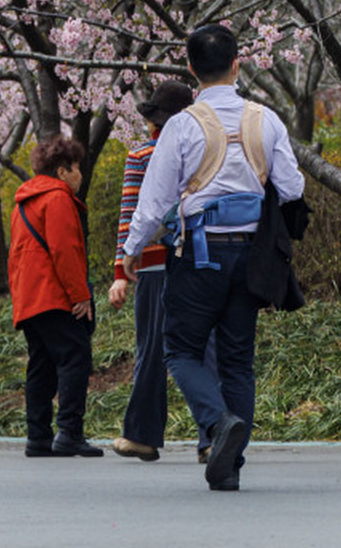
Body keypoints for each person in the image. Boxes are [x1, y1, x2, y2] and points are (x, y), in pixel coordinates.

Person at [123, 22, 305, 492]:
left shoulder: (182, 125)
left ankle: (217, 422)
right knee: (237, 360)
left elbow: (155, 200)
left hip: (199, 257)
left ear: (190, 69)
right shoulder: (265, 120)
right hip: (252, 257)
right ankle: (230, 465)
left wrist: (131, 250)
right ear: (237, 64)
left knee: (179, 349)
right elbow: (292, 188)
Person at [108, 78, 205, 461]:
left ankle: (142, 435)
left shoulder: (142, 154)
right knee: (201, 347)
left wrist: (120, 268)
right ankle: (211, 435)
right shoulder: (204, 152)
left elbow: (131, 213)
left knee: (151, 349)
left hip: (150, 265)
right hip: (198, 260)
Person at [10, 136, 99, 458]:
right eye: (77, 169)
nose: (80, 176)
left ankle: (38, 436)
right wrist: (81, 295)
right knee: (75, 357)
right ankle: (69, 432)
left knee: (42, 364)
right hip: (55, 294)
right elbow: (66, 251)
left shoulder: (24, 201)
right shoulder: (58, 199)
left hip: (29, 297)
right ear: (63, 171)